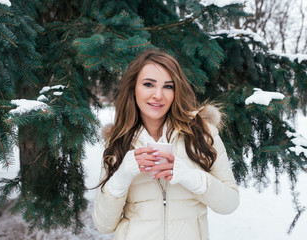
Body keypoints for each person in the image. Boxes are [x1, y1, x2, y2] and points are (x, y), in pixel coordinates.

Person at [92, 49, 239, 240]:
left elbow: (229, 203)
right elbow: (104, 225)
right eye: (148, 84)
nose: (158, 95)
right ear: (133, 88)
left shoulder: (202, 133)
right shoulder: (119, 141)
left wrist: (190, 176)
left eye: (168, 86)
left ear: (176, 91)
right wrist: (122, 175)